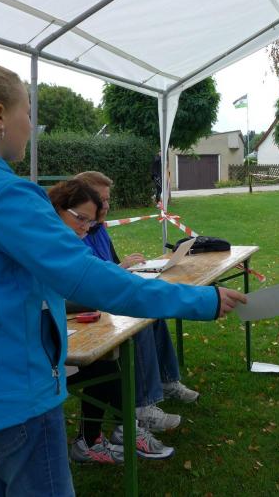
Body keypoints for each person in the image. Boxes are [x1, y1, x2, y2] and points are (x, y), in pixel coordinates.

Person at [0, 58, 246, 495]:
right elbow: (90, 279)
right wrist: (200, 299)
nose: (30, 125)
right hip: (11, 392)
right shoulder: (3, 194)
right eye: (27, 112)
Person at [48, 179, 173, 463]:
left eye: (90, 221)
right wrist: (97, 295)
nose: (86, 227)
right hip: (35, 360)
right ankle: (121, 428)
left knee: (110, 360)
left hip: (52, 341)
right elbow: (59, 295)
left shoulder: (71, 239)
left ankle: (109, 433)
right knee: (108, 364)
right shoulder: (46, 247)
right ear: (57, 209)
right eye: (81, 218)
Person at [74, 170, 197, 435]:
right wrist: (122, 269)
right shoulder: (77, 232)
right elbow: (88, 278)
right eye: (101, 200)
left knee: (154, 313)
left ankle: (167, 381)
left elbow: (110, 267)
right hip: (89, 309)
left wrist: (130, 269)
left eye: (108, 199)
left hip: (107, 298)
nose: (106, 205)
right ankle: (143, 406)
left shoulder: (98, 229)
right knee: (138, 324)